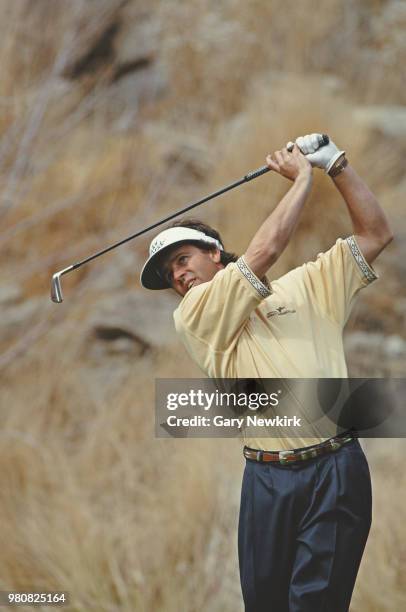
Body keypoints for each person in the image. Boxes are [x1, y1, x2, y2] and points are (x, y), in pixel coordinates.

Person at [140, 134, 393, 612]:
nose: (177, 276)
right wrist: (301, 179)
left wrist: (336, 165)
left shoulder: (308, 286)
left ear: (214, 252)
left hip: (335, 469)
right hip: (266, 480)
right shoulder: (195, 315)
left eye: (182, 259)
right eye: (168, 275)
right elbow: (267, 248)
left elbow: (375, 234)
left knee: (315, 604)